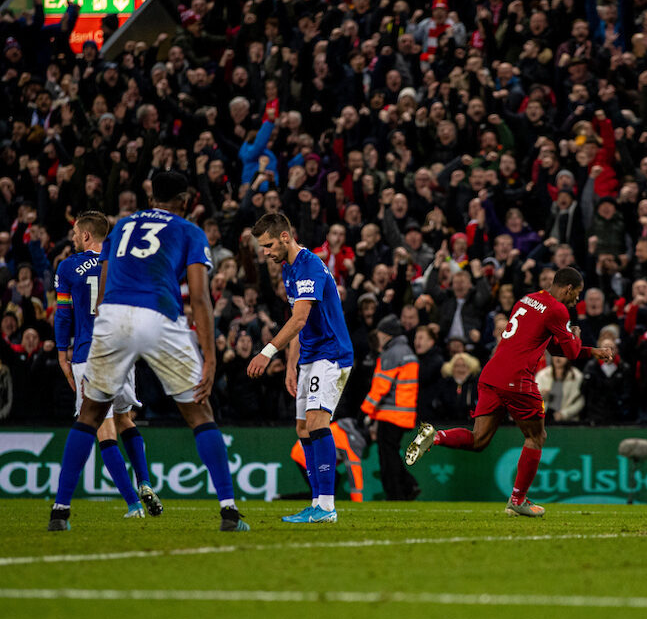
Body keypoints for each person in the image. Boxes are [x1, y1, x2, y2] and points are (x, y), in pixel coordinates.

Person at [48, 171, 246, 533]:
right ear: (185, 202)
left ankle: (60, 511)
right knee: (200, 413)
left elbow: (105, 282)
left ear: (151, 195)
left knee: (91, 414)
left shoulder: (120, 226)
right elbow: (200, 297)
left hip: (112, 316)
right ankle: (230, 512)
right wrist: (210, 357)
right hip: (159, 314)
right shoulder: (189, 230)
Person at [404, 267, 613, 517]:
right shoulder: (558, 310)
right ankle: (517, 500)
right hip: (518, 379)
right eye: (577, 294)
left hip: (491, 374)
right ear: (568, 288)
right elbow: (569, 352)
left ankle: (436, 437)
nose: (576, 300)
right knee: (537, 437)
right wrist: (576, 335)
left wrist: (592, 351)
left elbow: (552, 347)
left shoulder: (528, 299)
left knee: (478, 439)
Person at [247, 212, 354, 523]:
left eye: (268, 245)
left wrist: (266, 352)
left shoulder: (308, 266)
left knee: (318, 423)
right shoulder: (289, 269)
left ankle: (327, 506)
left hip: (331, 354)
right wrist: (293, 365)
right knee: (302, 428)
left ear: (284, 236)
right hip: (310, 355)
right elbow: (298, 325)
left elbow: (299, 319)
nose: (265, 252)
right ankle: (317, 502)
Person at [54, 211, 160, 519]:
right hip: (123, 352)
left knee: (103, 426)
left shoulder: (69, 267)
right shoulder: (124, 265)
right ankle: (145, 482)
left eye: (75, 234)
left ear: (86, 236)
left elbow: (64, 314)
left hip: (90, 353)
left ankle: (133, 504)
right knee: (126, 419)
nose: (73, 239)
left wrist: (63, 353)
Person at [362, 315, 420, 500]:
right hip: (405, 413)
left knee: (388, 457)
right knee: (391, 452)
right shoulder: (406, 351)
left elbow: (381, 386)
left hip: (390, 413)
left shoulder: (391, 353)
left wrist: (364, 411)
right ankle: (408, 486)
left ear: (385, 334)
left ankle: (398, 492)